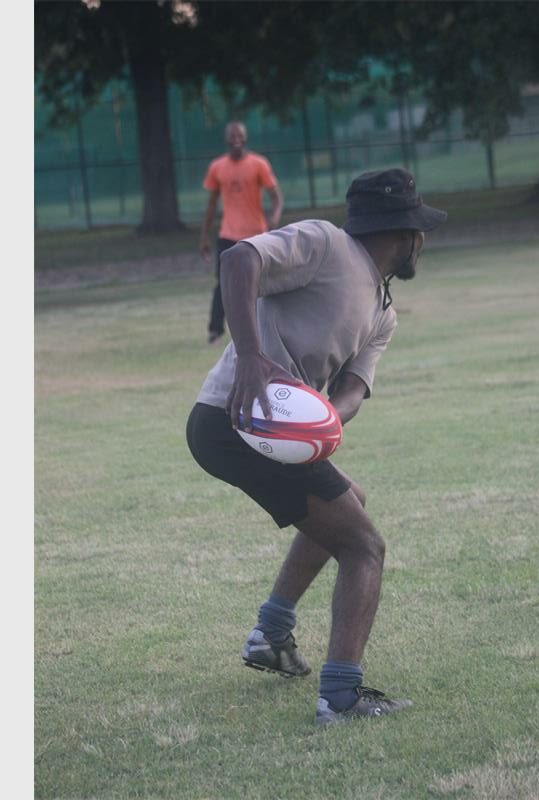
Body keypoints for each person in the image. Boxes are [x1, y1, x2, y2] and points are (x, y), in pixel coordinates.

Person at [186, 167, 447, 726]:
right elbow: (239, 261)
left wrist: (328, 419)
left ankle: (271, 633)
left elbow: (352, 390)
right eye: (421, 231)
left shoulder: (383, 310)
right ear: (405, 234)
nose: (424, 242)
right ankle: (341, 697)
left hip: (257, 432)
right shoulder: (327, 245)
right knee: (364, 548)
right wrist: (252, 356)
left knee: (351, 499)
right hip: (230, 419)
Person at [200, 121, 284, 344]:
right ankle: (215, 330)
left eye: (240, 136)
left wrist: (274, 216)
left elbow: (276, 197)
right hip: (228, 235)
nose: (236, 140)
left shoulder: (258, 164)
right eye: (232, 136)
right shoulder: (217, 167)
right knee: (223, 284)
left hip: (256, 235)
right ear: (226, 139)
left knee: (262, 283)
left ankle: (269, 328)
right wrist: (204, 237)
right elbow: (210, 206)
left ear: (245, 138)